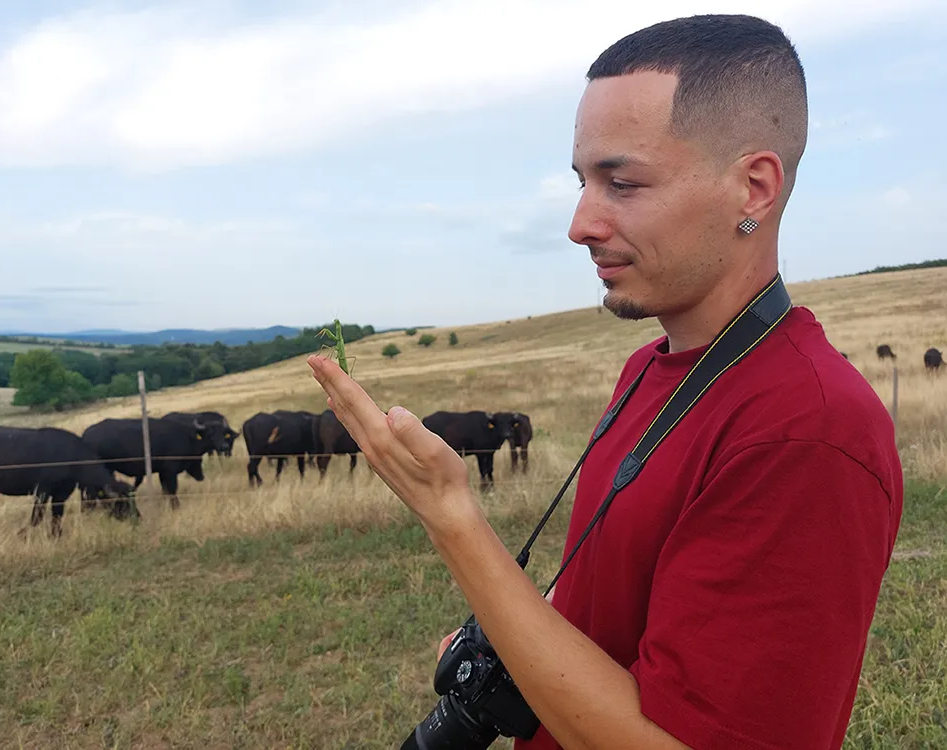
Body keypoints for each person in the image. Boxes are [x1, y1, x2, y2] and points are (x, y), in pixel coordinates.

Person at [307, 13, 903, 750]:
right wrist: (511, 639)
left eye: (620, 182)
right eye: (583, 181)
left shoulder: (806, 431)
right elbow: (607, 608)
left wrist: (450, 515)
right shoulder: (651, 369)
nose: (579, 222)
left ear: (753, 188)